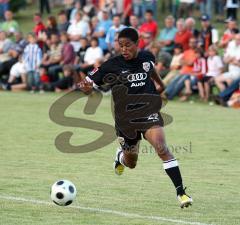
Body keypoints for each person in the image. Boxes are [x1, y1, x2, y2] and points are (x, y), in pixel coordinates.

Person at [78, 27, 193, 208]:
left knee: (162, 148)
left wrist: (160, 87)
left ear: (137, 43)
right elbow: (86, 82)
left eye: (127, 45)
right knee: (131, 163)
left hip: (148, 113)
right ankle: (121, 158)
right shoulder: (111, 65)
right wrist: (85, 87)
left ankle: (181, 192)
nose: (124, 49)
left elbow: (151, 72)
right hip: (125, 119)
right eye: (120, 46)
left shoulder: (147, 57)